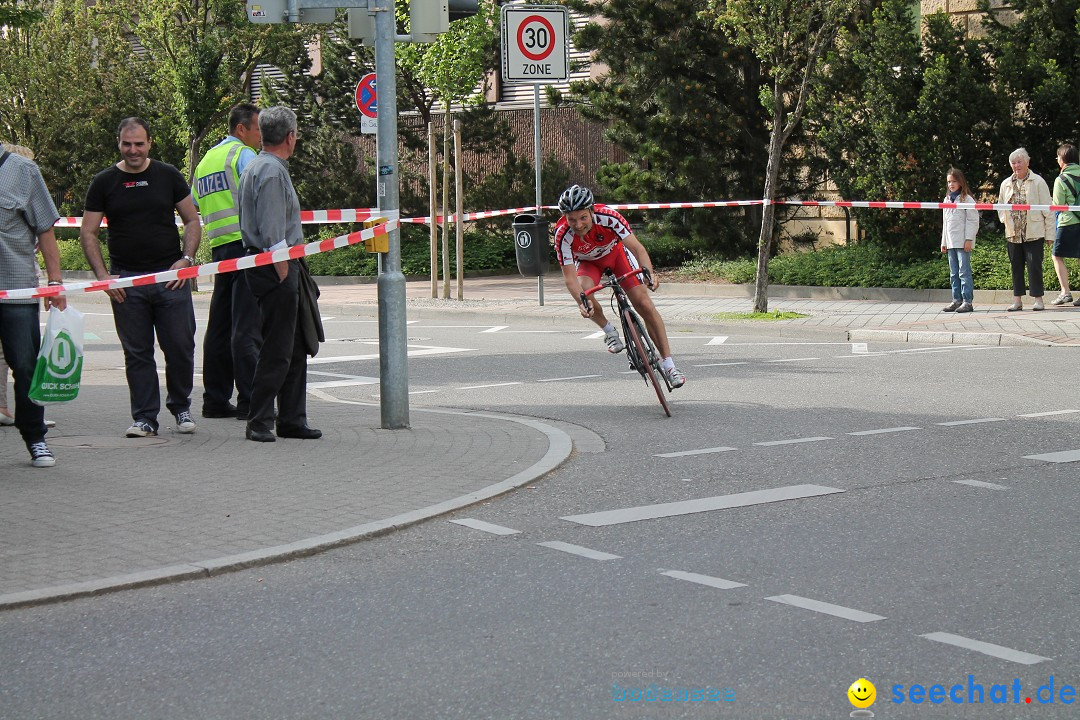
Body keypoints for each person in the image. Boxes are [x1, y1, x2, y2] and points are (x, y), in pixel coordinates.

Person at [80, 118, 201, 438]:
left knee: (179, 346)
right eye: (126, 144)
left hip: (169, 279)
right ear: (118, 143)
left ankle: (181, 406)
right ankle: (145, 417)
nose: (133, 150)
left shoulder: (168, 175)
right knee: (137, 353)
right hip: (126, 283)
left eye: (139, 144)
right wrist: (104, 277)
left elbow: (192, 220)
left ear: (150, 143)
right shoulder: (103, 182)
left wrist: (185, 261)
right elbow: (88, 233)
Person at [237, 105, 321, 442]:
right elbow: (273, 232)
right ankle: (259, 419)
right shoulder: (271, 172)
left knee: (296, 344)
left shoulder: (260, 167)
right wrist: (284, 272)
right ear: (290, 136)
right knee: (278, 346)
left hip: (275, 265)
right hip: (276, 267)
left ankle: (291, 418)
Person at [554, 184, 685, 388]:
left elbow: (638, 249)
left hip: (616, 255)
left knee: (644, 305)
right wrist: (582, 301)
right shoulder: (562, 234)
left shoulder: (609, 217)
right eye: (572, 219)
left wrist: (649, 273)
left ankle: (669, 365)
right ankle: (609, 330)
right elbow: (570, 279)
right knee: (585, 295)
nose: (578, 225)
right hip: (589, 264)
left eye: (583, 218)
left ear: (592, 211)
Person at [193, 103, 262, 420]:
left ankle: (215, 399)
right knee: (245, 327)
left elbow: (194, 203)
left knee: (219, 327)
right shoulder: (243, 156)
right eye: (257, 129)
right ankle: (249, 400)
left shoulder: (206, 161)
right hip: (245, 248)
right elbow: (261, 195)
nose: (260, 136)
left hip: (219, 249)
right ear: (241, 129)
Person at [0, 141, 65, 467]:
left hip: (16, 292)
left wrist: (55, 282)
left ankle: (35, 437)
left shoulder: (23, 171)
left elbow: (46, 231)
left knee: (26, 367)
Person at [997, 148, 1054, 311]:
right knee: (1016, 266)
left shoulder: (1038, 182)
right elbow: (1000, 205)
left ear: (1027, 162)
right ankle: (1017, 300)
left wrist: (1050, 234)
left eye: (1019, 161)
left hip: (1033, 231)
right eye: (1013, 163)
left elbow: (1048, 209)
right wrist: (1004, 219)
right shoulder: (1006, 183)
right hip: (1013, 233)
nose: (1016, 165)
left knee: (1034, 265)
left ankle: (1038, 299)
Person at [940, 168, 979, 313]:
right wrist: (944, 242)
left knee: (964, 272)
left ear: (961, 182)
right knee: (953, 273)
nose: (951, 184)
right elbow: (945, 222)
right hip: (950, 242)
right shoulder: (946, 199)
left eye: (954, 181)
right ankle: (956, 300)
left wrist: (969, 239)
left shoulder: (967, 199)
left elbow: (972, 220)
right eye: (949, 182)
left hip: (962, 242)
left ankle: (967, 301)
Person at [1050, 143, 1080, 307]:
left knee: (1057, 256)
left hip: (1068, 222)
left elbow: (1058, 205)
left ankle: (1065, 292)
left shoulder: (1061, 179)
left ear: (1062, 159)